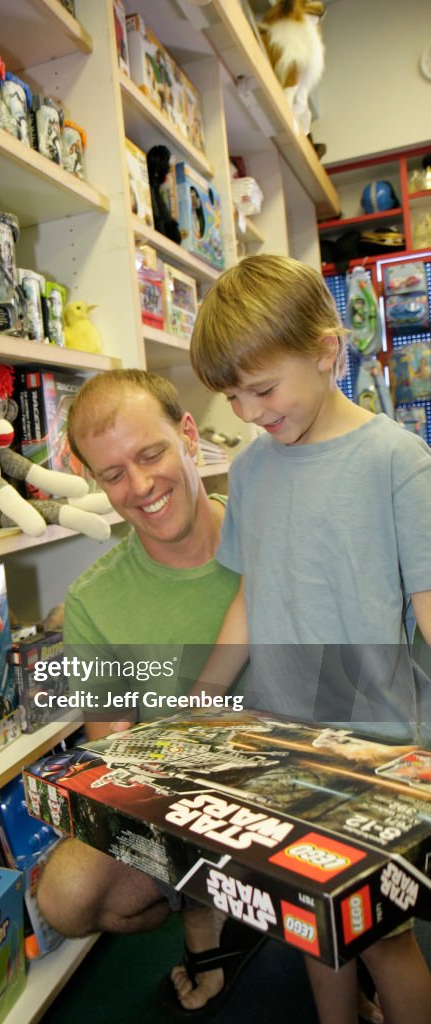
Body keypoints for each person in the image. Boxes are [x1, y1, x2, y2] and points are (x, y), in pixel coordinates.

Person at [189, 253, 431, 1024]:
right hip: (280, 736)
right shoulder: (251, 470)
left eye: (263, 389)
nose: (251, 411)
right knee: (308, 924)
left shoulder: (396, 460)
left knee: (384, 938)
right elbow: (252, 597)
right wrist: (200, 694)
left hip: (374, 742)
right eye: (233, 396)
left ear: (327, 352)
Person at [36, 368, 257, 1016]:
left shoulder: (274, 536)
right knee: (67, 898)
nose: (138, 487)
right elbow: (121, 768)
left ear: (188, 435)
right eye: (111, 475)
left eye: (150, 453)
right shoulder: (92, 600)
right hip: (188, 802)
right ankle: (207, 911)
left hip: (302, 785)